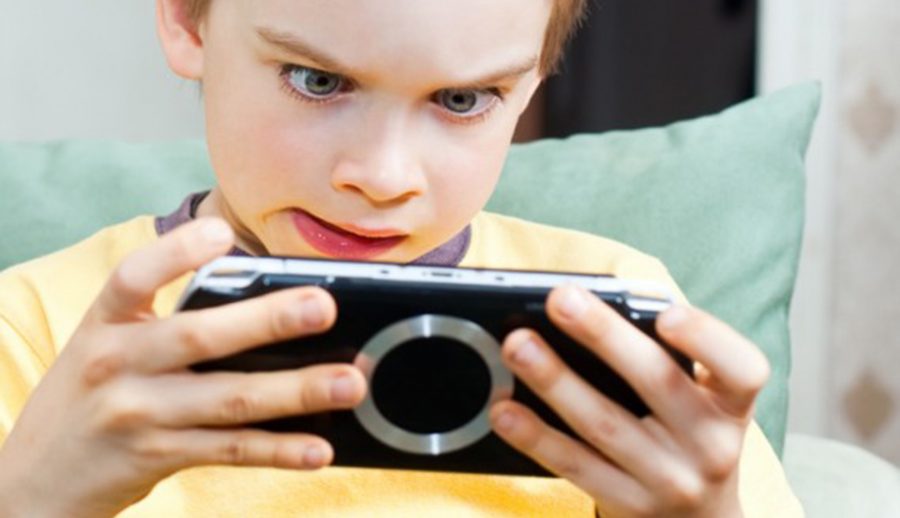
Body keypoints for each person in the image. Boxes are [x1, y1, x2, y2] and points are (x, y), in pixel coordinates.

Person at [0, 0, 803, 516]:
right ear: (187, 20)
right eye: (317, 80)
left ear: (530, 86)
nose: (382, 179)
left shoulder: (614, 319)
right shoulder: (34, 329)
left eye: (462, 100)